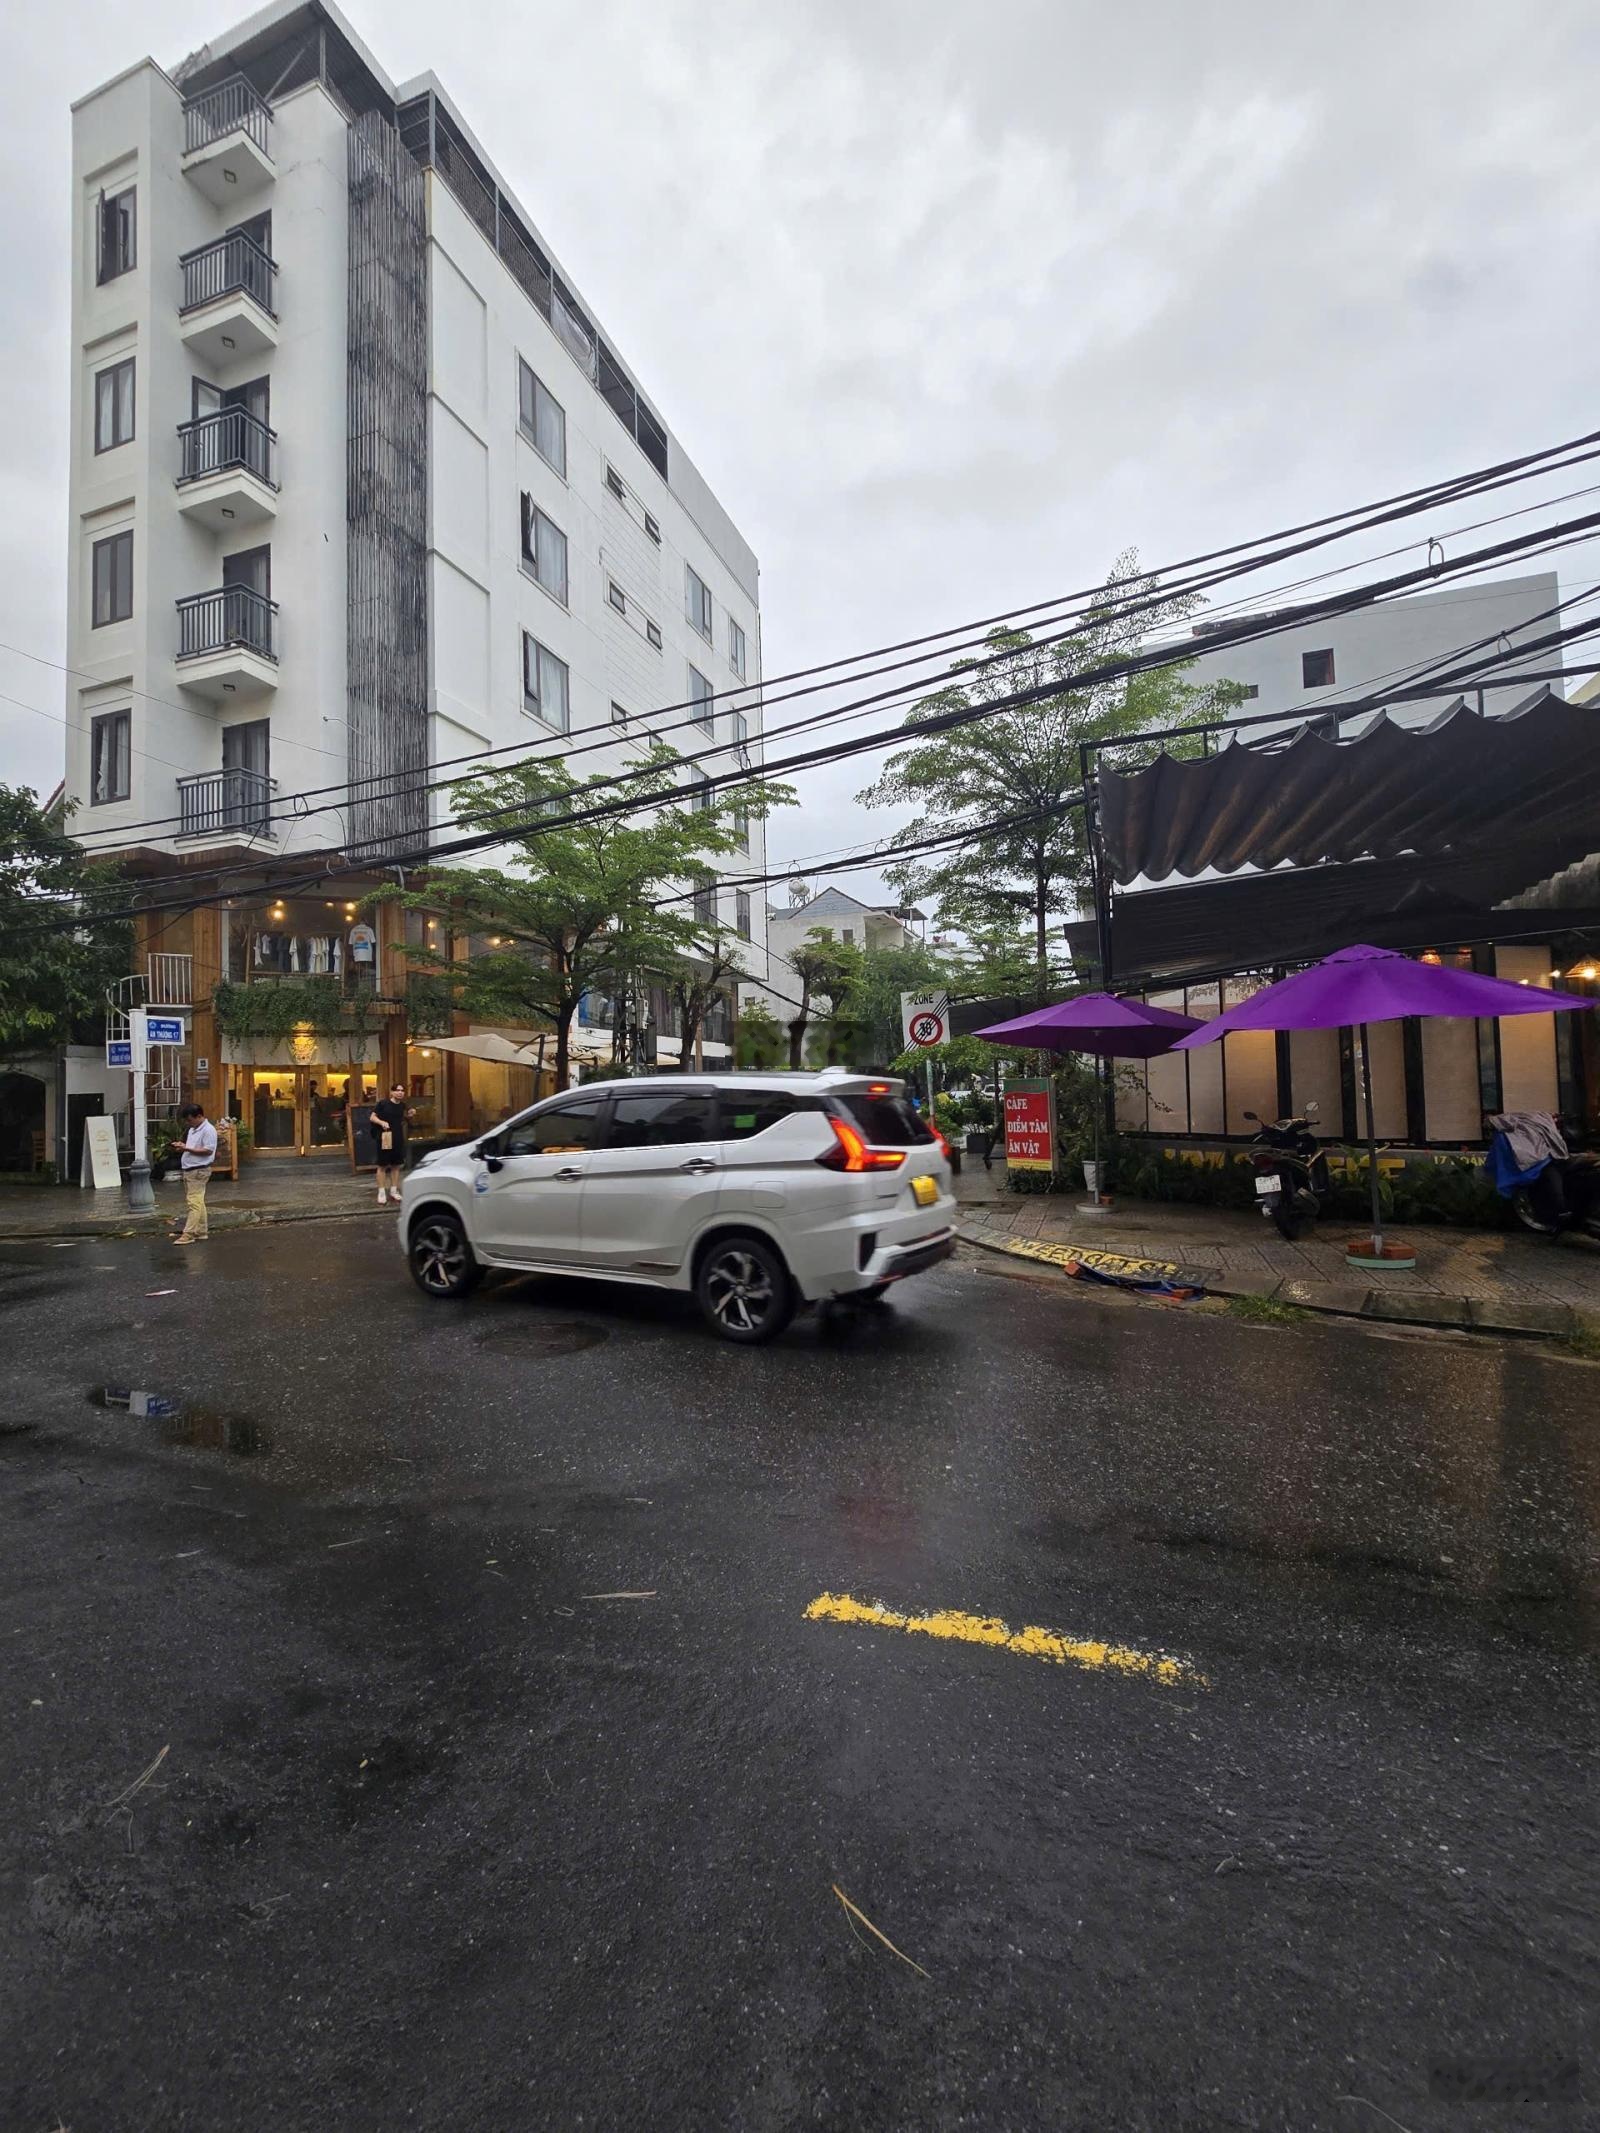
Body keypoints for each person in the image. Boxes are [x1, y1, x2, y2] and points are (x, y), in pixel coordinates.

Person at [169, 1101, 218, 1246]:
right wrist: (183, 1147)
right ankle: (201, 1231)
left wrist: (187, 1149)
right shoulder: (193, 1130)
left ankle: (188, 1234)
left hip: (199, 1170)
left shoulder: (208, 1130)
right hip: (190, 1169)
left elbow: (208, 1150)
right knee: (198, 1201)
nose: (189, 1123)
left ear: (199, 1116)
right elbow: (193, 1147)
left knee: (194, 1203)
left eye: (190, 1120)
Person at [369, 1082, 413, 1205]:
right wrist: (382, 1122)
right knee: (382, 1165)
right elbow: (372, 1117)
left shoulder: (403, 1106)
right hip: (385, 1137)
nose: (400, 1092)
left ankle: (394, 1190)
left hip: (397, 1137)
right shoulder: (383, 1104)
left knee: (396, 1165)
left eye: (402, 1090)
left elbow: (404, 1119)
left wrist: (410, 1114)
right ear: (392, 1092)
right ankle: (381, 1192)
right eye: (397, 1090)